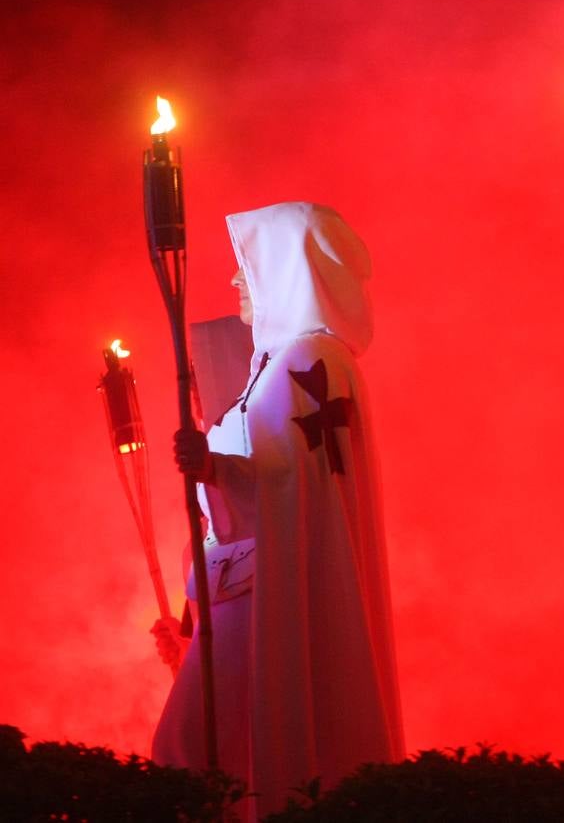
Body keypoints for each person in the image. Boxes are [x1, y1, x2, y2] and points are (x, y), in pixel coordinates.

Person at [152, 201, 403, 817]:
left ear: (289, 268)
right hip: (250, 590)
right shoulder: (279, 362)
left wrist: (213, 468)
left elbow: (290, 479)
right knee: (202, 751)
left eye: (248, 265)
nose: (237, 280)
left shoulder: (309, 359)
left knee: (190, 750)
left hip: (269, 593)